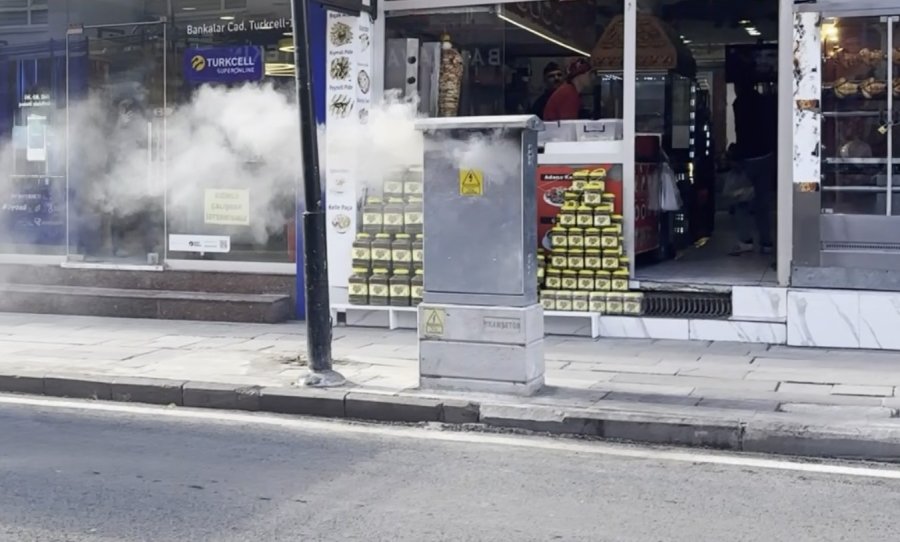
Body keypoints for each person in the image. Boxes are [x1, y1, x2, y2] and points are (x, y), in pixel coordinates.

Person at [730, 80, 777, 255]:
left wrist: (736, 156)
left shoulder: (739, 103)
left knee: (741, 199)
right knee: (762, 203)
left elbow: (740, 131)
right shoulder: (764, 102)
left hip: (748, 158)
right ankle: (766, 243)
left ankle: (745, 240)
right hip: (766, 156)